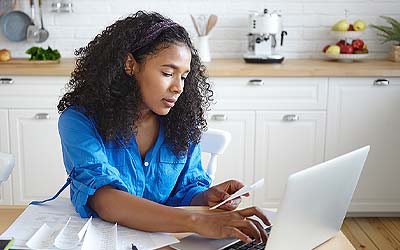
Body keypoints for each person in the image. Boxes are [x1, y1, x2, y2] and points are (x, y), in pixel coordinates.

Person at [57, 11, 270, 243]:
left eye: (184, 76)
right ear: (131, 65)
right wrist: (197, 221)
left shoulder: (182, 125)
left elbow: (185, 192)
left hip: (167, 243)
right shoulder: (79, 121)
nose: (178, 87)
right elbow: (105, 200)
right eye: (168, 73)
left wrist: (206, 199)